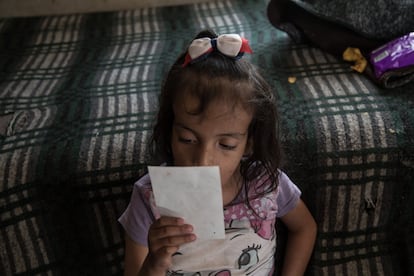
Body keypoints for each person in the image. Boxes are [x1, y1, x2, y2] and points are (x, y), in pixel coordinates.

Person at [118, 29, 317, 276]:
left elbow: (305, 228)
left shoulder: (266, 183)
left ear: (249, 143)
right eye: (187, 139)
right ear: (170, 132)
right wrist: (154, 263)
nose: (202, 160)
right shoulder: (149, 198)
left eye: (226, 145)